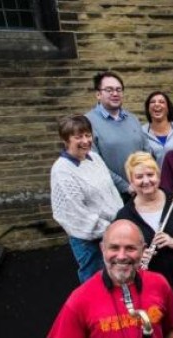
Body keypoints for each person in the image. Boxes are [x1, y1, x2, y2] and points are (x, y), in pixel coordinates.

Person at [115, 152, 173, 289]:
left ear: (158, 176)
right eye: (139, 177)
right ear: (131, 182)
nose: (146, 181)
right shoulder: (125, 216)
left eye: (150, 174)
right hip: (151, 287)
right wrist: (135, 257)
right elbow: (118, 255)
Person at [51, 114, 123, 282]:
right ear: (66, 140)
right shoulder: (62, 170)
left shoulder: (94, 158)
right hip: (89, 239)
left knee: (116, 279)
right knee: (95, 282)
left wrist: (121, 219)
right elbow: (76, 213)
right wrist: (110, 229)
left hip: (112, 230)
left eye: (87, 135)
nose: (85, 141)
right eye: (78, 137)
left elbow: (111, 190)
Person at [85, 71, 149, 197]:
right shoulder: (87, 122)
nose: (115, 93)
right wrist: (125, 186)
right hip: (111, 195)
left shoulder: (132, 119)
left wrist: (144, 180)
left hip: (141, 191)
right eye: (109, 90)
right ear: (98, 94)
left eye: (118, 90)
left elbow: (146, 152)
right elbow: (94, 164)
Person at [141, 91, 173, 165]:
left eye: (162, 102)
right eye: (152, 102)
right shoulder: (141, 132)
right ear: (148, 109)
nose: (157, 104)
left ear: (168, 108)